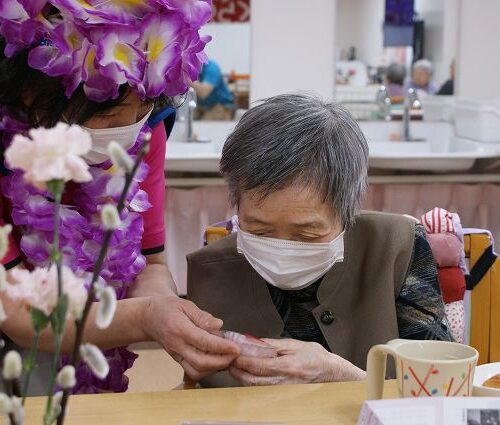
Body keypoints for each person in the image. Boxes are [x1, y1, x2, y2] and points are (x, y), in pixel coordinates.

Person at [0, 2, 239, 395]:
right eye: (110, 120)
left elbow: (151, 264)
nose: (127, 131)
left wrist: (168, 311)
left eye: (143, 108)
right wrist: (144, 317)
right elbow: (17, 313)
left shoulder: (145, 132)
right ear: (33, 96)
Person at [187, 94, 452, 388]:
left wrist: (342, 375)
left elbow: (441, 387)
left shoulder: (397, 247)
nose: (283, 250)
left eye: (307, 234)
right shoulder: (210, 272)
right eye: (259, 230)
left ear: (348, 213)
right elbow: (199, 393)